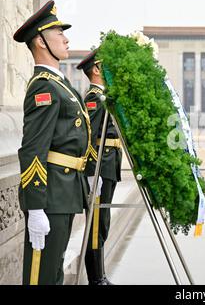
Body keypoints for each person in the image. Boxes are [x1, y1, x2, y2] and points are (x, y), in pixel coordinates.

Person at [13, 0, 90, 285]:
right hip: (50, 197)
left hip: (65, 192)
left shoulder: (60, 84)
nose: (66, 37)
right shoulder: (44, 87)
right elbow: (33, 148)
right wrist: (35, 207)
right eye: (59, 32)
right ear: (41, 41)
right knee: (41, 276)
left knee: (54, 271)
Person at [77, 50, 122, 285]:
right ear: (95, 69)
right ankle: (95, 279)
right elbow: (90, 136)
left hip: (108, 166)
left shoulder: (104, 96)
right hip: (99, 169)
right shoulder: (94, 97)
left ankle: (101, 275)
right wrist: (94, 171)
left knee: (102, 222)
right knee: (96, 224)